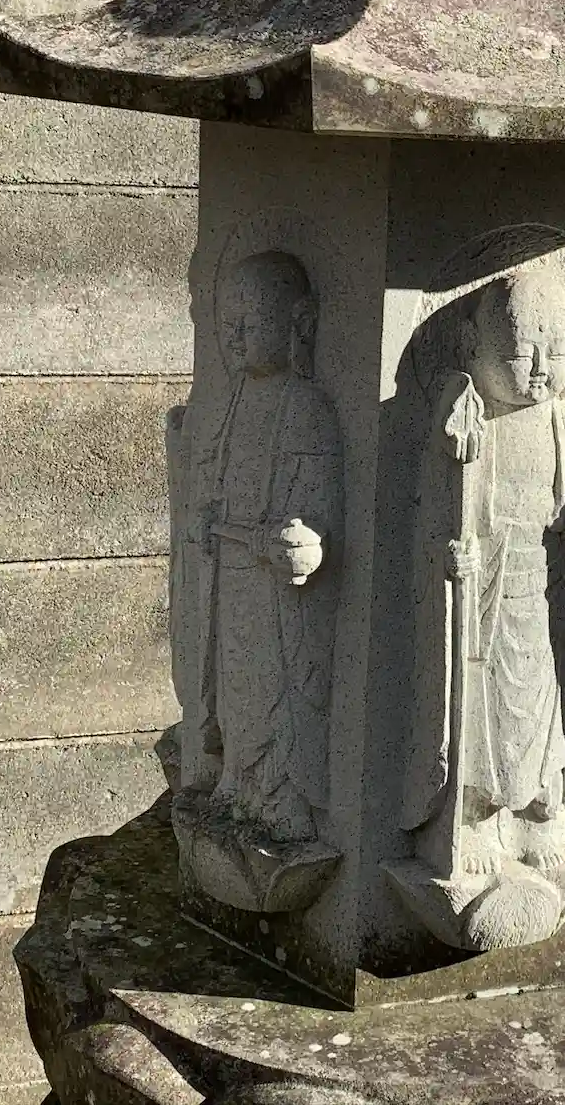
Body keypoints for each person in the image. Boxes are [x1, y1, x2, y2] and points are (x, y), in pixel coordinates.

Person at [403, 265, 565, 878]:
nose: (541, 370)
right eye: (522, 355)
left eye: (558, 353)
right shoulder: (466, 426)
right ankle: (475, 817)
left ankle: (541, 811)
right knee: (482, 712)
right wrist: (447, 555)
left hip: (545, 598)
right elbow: (430, 516)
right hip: (486, 600)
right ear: (475, 346)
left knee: (544, 710)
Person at [185, 250, 342, 844]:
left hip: (279, 592)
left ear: (298, 323)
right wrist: (207, 520)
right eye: (228, 325)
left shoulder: (307, 407)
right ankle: (236, 779)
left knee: (279, 689)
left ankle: (281, 798)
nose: (235, 337)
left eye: (250, 323)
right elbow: (212, 483)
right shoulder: (231, 402)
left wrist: (306, 541)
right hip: (230, 581)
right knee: (233, 685)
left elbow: (322, 511)